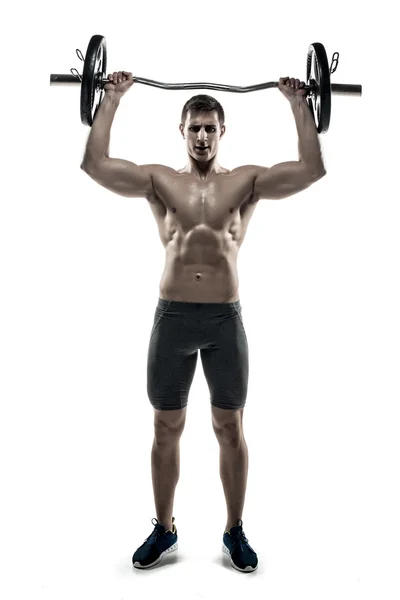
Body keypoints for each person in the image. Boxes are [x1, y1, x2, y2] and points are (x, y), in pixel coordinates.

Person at [80, 71, 326, 572]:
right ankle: (164, 529)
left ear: (222, 131)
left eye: (211, 127)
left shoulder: (247, 182)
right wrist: (111, 98)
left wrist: (300, 104)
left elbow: (310, 169)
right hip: (171, 318)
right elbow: (95, 164)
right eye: (194, 127)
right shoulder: (159, 181)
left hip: (223, 321)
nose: (202, 136)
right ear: (182, 130)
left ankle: (234, 531)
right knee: (166, 426)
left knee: (229, 426)